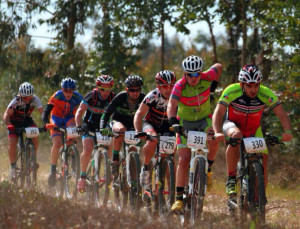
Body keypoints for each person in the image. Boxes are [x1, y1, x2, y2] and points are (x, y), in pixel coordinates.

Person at [212, 64, 293, 203]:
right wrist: (217, 132)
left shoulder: (265, 93)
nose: (253, 89)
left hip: (253, 129)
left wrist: (288, 131)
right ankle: (231, 178)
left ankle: (259, 197)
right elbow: (218, 112)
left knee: (264, 160)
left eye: (256, 85)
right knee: (236, 136)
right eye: (249, 86)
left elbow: (282, 113)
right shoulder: (232, 90)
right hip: (232, 125)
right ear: (242, 84)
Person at [167, 55, 222, 213]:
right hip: (185, 122)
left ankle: (209, 170)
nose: (193, 78)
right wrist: (173, 122)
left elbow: (218, 66)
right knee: (183, 159)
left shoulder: (207, 76)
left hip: (204, 119)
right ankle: (178, 200)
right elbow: (171, 105)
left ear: (201, 72)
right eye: (189, 74)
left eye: (197, 74)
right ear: (184, 73)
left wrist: (213, 87)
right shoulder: (180, 86)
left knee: (214, 139)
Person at [134, 70, 176, 190]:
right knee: (152, 140)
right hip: (151, 124)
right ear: (158, 86)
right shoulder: (152, 96)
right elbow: (139, 114)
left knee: (171, 156)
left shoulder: (178, 96)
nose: (169, 89)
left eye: (172, 86)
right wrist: (138, 131)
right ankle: (146, 168)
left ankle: (172, 194)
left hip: (168, 126)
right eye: (164, 86)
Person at [75, 75, 115, 192]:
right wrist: (78, 126)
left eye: (108, 89)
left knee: (111, 142)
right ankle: (82, 177)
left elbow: (117, 114)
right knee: (87, 149)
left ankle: (109, 170)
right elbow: (79, 112)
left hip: (103, 126)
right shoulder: (92, 96)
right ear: (98, 87)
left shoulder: (113, 97)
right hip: (89, 125)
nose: (106, 92)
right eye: (103, 89)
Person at [100, 75, 145, 176]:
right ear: (127, 89)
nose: (135, 93)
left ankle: (133, 176)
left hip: (133, 124)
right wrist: (102, 127)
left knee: (134, 149)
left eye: (138, 90)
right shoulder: (121, 97)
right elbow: (107, 112)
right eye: (132, 90)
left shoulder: (144, 98)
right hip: (118, 121)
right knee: (121, 130)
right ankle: (115, 159)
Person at [42, 77, 83, 186]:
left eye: (71, 91)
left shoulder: (77, 97)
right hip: (56, 118)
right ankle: (53, 170)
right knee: (57, 143)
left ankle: (74, 160)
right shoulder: (57, 95)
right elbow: (47, 111)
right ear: (62, 89)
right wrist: (46, 122)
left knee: (73, 134)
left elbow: (85, 108)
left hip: (69, 118)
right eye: (66, 91)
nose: (68, 94)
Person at [3, 82, 44, 180]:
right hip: (14, 122)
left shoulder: (35, 99)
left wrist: (46, 123)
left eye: (29, 97)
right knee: (12, 142)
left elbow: (43, 113)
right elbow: (6, 115)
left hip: (26, 120)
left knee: (35, 135)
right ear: (20, 95)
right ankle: (13, 167)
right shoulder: (15, 101)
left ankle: (32, 159)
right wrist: (9, 125)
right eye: (24, 97)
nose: (27, 99)